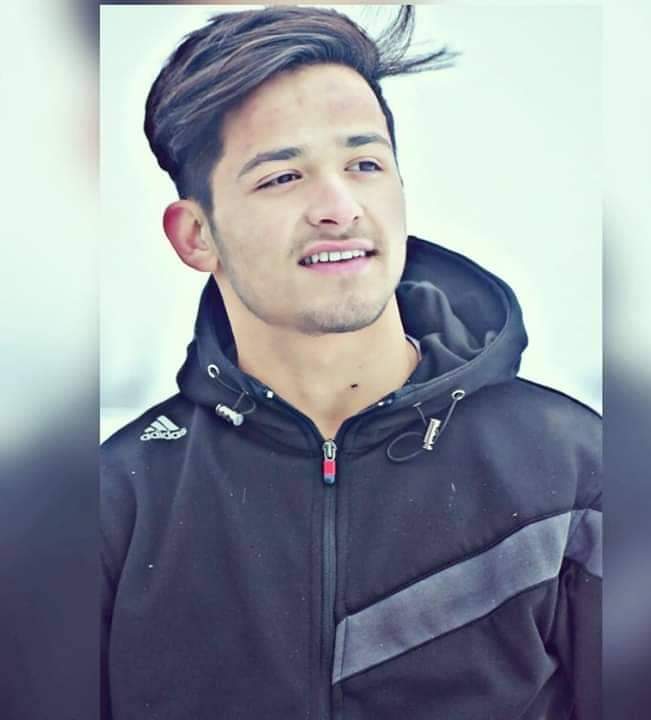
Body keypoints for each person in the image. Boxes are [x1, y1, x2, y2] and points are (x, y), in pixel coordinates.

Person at [101, 6, 601, 719]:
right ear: (196, 235)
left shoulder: (573, 472)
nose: (338, 207)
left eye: (364, 165)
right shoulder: (114, 506)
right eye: (282, 177)